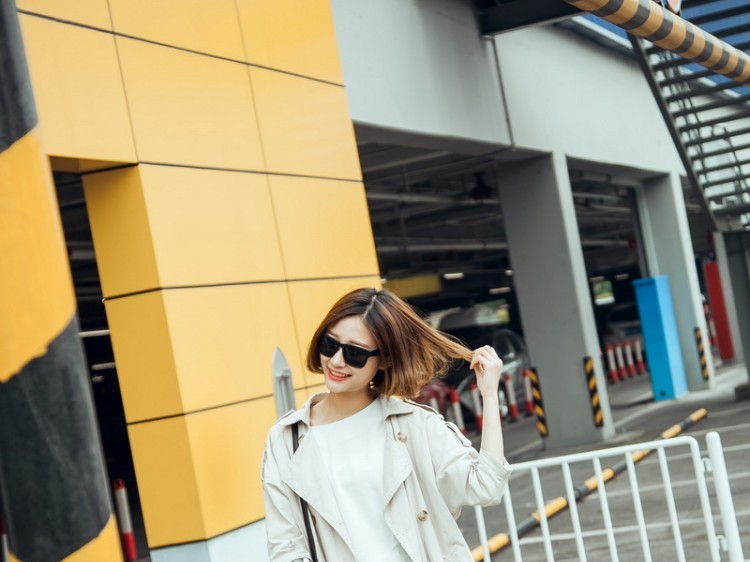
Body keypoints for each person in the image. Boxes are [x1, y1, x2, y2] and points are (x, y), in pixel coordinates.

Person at [261, 288, 511, 561]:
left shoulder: (414, 425)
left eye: (355, 353)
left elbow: (485, 485)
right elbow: (286, 546)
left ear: (384, 360)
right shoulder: (286, 439)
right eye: (330, 344)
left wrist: (489, 395)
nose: (336, 361)